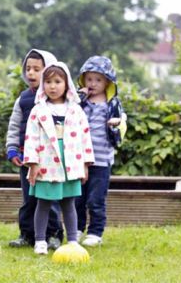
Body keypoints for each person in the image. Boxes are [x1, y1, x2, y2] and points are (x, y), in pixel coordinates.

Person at [22, 62, 94, 255]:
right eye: (48, 82)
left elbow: (85, 137)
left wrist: (85, 164)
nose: (52, 86)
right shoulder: (38, 110)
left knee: (69, 203)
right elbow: (31, 137)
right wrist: (33, 163)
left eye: (57, 81)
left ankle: (72, 240)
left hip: (70, 161)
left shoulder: (76, 110)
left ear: (66, 84)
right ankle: (40, 241)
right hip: (46, 162)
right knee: (43, 203)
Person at [5, 49, 64, 249]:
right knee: (29, 198)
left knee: (51, 198)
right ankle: (27, 234)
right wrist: (13, 149)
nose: (31, 73)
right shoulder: (23, 99)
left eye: (37, 69)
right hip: (27, 159)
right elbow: (14, 126)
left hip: (51, 160)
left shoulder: (59, 103)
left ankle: (54, 234)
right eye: (28, 68)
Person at [75, 55, 127, 246]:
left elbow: (122, 124)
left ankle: (95, 232)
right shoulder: (81, 101)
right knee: (77, 198)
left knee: (96, 200)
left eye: (98, 80)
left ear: (107, 82)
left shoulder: (112, 103)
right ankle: (77, 228)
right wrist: (79, 98)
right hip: (80, 159)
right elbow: (69, 115)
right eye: (89, 79)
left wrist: (116, 123)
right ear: (83, 80)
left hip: (101, 160)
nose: (93, 84)